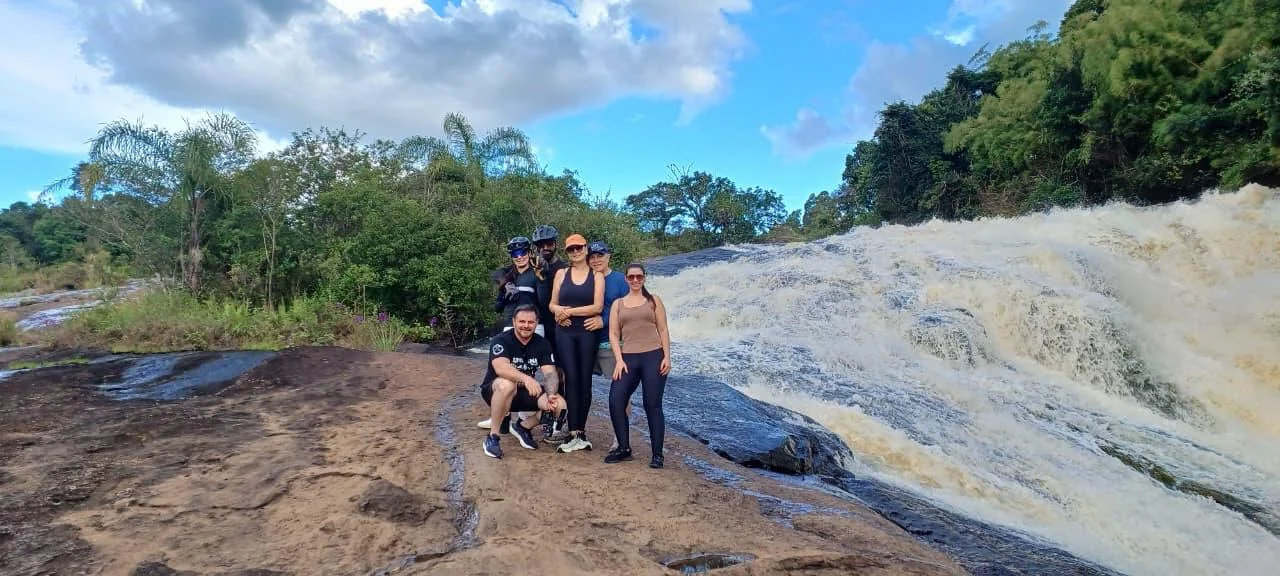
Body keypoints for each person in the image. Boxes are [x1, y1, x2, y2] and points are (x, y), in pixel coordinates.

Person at [604, 263, 671, 469]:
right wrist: (619, 360)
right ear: (626, 279)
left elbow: (663, 329)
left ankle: (657, 455)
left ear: (644, 278)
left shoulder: (654, 301)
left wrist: (667, 357)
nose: (635, 280)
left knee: (652, 404)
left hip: (653, 356)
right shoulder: (618, 304)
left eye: (639, 277)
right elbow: (614, 334)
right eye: (631, 277)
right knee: (616, 399)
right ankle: (624, 448)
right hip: (628, 358)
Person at [480, 305, 565, 459]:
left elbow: (550, 373)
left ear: (537, 323)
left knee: (559, 404)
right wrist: (526, 378)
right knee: (507, 384)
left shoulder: (542, 343)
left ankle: (523, 427)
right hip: (495, 390)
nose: (526, 326)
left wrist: (551, 394)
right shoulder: (501, 340)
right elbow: (501, 368)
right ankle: (493, 437)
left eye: (530, 322)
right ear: (514, 321)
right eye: (522, 321)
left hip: (524, 393)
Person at [549, 233, 605, 453]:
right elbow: (552, 304)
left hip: (587, 332)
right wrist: (557, 312)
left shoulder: (596, 276)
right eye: (571, 249)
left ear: (585, 249)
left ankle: (581, 429)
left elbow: (597, 307)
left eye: (579, 248)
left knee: (585, 380)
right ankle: (572, 431)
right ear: (567, 253)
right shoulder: (562, 274)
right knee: (571, 378)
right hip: (564, 332)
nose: (575, 252)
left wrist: (568, 311)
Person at [583, 240, 629, 450]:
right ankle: (573, 430)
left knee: (620, 391)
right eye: (592, 256)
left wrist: (604, 319)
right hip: (584, 343)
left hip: (611, 345)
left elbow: (630, 307)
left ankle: (621, 438)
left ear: (608, 256)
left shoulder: (621, 280)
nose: (596, 260)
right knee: (576, 386)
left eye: (600, 255)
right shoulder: (583, 278)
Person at [493, 236, 544, 335]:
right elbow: (497, 308)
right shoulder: (507, 276)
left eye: (522, 252)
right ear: (511, 257)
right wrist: (505, 296)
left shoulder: (537, 272)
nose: (519, 257)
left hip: (533, 326)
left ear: (529, 253)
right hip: (510, 325)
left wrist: (526, 295)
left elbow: (544, 302)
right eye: (515, 254)